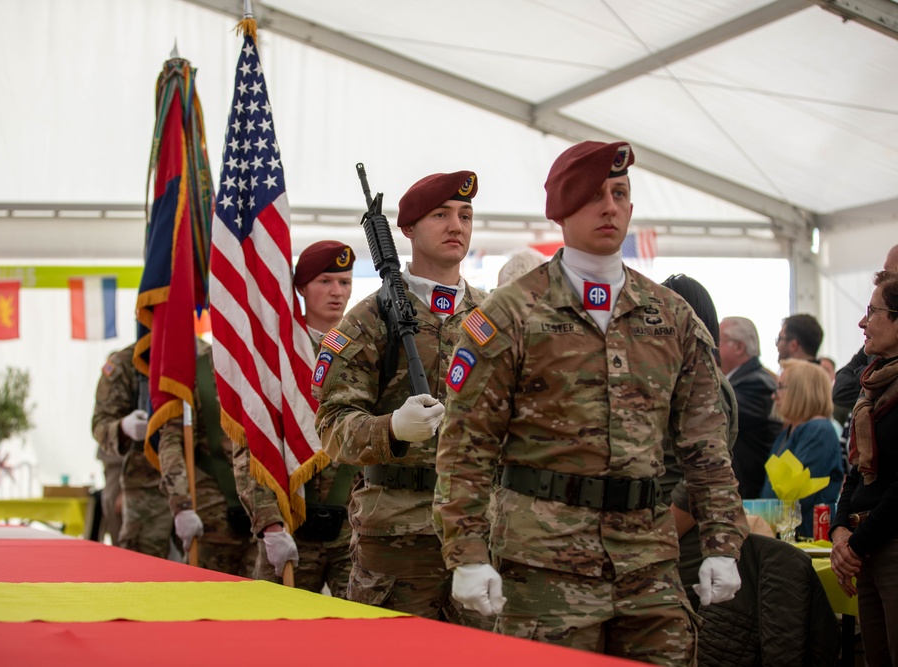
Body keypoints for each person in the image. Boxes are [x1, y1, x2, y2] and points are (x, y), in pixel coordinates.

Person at [433, 141, 747, 664]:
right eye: (593, 195)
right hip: (544, 569)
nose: (610, 207)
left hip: (649, 567)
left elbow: (705, 446)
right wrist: (466, 553)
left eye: (620, 193)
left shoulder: (671, 317)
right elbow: (466, 445)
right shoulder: (509, 315)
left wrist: (722, 541)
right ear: (560, 208)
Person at [315, 170, 492, 626]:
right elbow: (333, 426)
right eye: (441, 215)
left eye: (465, 215)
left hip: (479, 530)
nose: (457, 226)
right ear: (408, 229)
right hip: (397, 534)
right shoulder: (368, 321)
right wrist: (390, 429)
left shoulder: (493, 316)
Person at [235, 240, 360, 596]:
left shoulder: (368, 350)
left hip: (352, 527)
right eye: (325, 281)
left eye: (345, 282)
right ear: (301, 287)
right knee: (277, 638)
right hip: (290, 522)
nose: (337, 292)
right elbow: (251, 447)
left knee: (362, 637)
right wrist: (270, 524)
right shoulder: (277, 358)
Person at [659, 274, 739, 611]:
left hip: (681, 545)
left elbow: (698, 479)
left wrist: (657, 541)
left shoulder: (707, 384)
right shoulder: (677, 376)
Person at [830, 270, 898, 667]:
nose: (862, 321)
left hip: (888, 543)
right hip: (866, 545)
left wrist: (855, 544)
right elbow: (854, 470)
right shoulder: (871, 385)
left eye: (872, 312)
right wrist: (840, 529)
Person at [156, 337, 257, 575]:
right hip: (212, 518)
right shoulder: (194, 372)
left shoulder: (272, 366)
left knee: (262, 608)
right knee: (210, 604)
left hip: (267, 522)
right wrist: (181, 505)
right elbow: (172, 441)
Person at [91, 343, 172, 557]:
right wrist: (123, 427)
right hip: (133, 478)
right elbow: (101, 427)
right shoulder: (123, 366)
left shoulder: (202, 355)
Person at [758, 359, 844, 537]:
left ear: (800, 391)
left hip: (807, 540)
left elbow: (799, 499)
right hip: (784, 537)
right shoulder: (787, 433)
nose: (774, 395)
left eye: (781, 387)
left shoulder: (818, 431)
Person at [831, 243, 898, 425]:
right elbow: (840, 389)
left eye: (873, 312)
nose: (862, 323)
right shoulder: (876, 347)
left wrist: (863, 373)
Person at [719, 316, 782, 499]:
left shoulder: (757, 384)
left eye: (718, 340)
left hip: (751, 495)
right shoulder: (746, 379)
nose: (712, 347)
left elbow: (718, 411)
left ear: (739, 347)